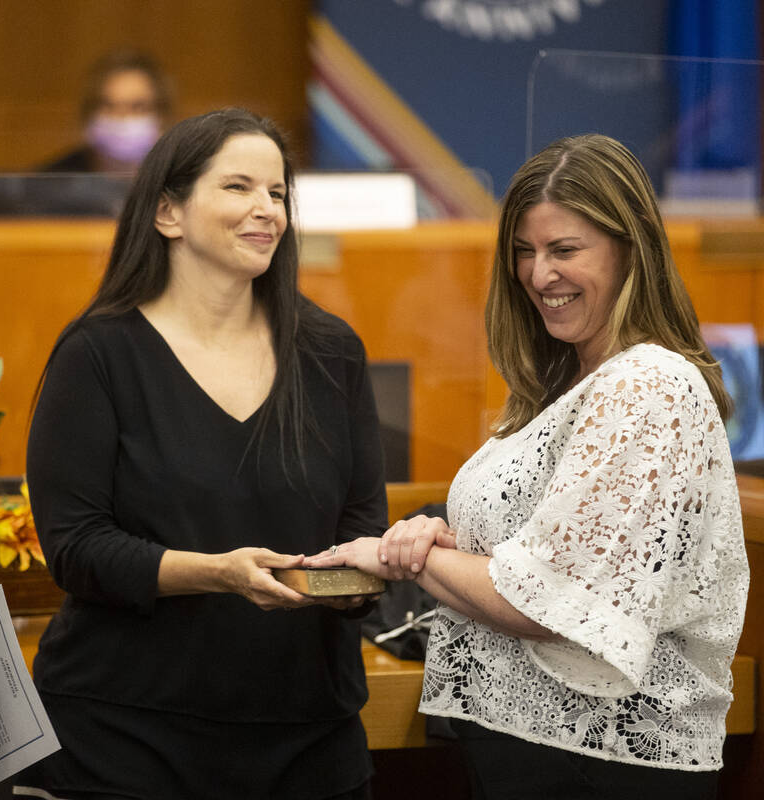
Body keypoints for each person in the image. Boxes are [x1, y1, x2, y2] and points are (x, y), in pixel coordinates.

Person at [307, 134, 749, 798]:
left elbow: (551, 600)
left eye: (565, 250)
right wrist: (443, 541)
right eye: (525, 252)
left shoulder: (647, 384)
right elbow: (554, 558)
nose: (540, 275)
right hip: (538, 750)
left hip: (600, 766)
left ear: (631, 249)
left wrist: (400, 555)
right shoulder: (572, 381)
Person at [18, 108, 388, 799]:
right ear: (167, 213)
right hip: (126, 745)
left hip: (309, 745)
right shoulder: (98, 354)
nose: (266, 211)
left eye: (278, 194)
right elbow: (76, 548)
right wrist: (220, 573)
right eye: (239, 188)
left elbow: (359, 532)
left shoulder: (332, 351)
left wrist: (354, 577)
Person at [39, 48, 172, 175]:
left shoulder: (185, 184)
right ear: (87, 113)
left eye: (137, 107)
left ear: (162, 116)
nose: (122, 118)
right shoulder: (49, 185)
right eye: (108, 106)